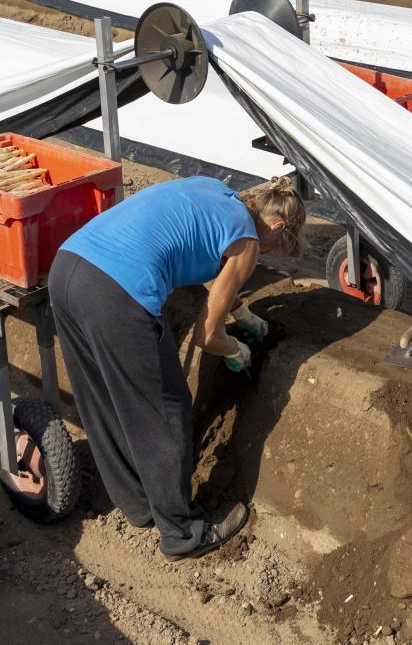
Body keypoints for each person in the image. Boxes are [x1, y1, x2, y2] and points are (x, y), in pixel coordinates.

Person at [48, 175, 306, 561]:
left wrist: (242, 312)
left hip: (69, 267)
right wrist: (237, 350)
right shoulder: (248, 242)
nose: (265, 255)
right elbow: (207, 336)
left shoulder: (212, 189)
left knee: (103, 396)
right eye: (275, 247)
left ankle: (138, 504)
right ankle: (182, 533)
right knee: (165, 411)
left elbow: (199, 258)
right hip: (118, 295)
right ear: (278, 226)